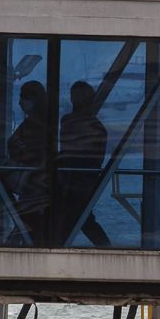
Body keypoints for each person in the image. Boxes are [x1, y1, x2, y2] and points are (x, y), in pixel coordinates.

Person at [56, 81, 111, 247]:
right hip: (85, 178)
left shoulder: (67, 121)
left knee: (73, 217)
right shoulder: (97, 127)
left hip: (69, 178)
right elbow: (97, 157)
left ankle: (57, 247)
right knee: (82, 218)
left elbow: (67, 150)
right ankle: (105, 247)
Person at [6, 81, 50, 246]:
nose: (20, 102)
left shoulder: (35, 126)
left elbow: (35, 154)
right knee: (27, 226)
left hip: (34, 185)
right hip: (34, 185)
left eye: (24, 98)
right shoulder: (37, 124)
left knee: (28, 225)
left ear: (35, 100)